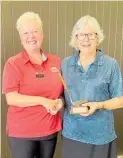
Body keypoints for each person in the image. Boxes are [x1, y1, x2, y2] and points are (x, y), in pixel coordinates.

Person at [2, 12, 64, 158]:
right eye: (25, 33)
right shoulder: (13, 63)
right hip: (22, 134)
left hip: (49, 130)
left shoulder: (56, 62)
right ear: (20, 38)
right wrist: (43, 101)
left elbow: (62, 93)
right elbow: (11, 98)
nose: (31, 36)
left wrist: (59, 103)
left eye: (35, 31)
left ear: (41, 33)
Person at [61, 15, 123, 158]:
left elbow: (120, 99)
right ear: (76, 38)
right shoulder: (65, 64)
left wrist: (99, 105)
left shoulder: (110, 64)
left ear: (98, 37)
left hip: (100, 137)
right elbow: (60, 95)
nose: (86, 39)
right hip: (72, 135)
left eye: (90, 34)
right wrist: (58, 102)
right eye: (81, 35)